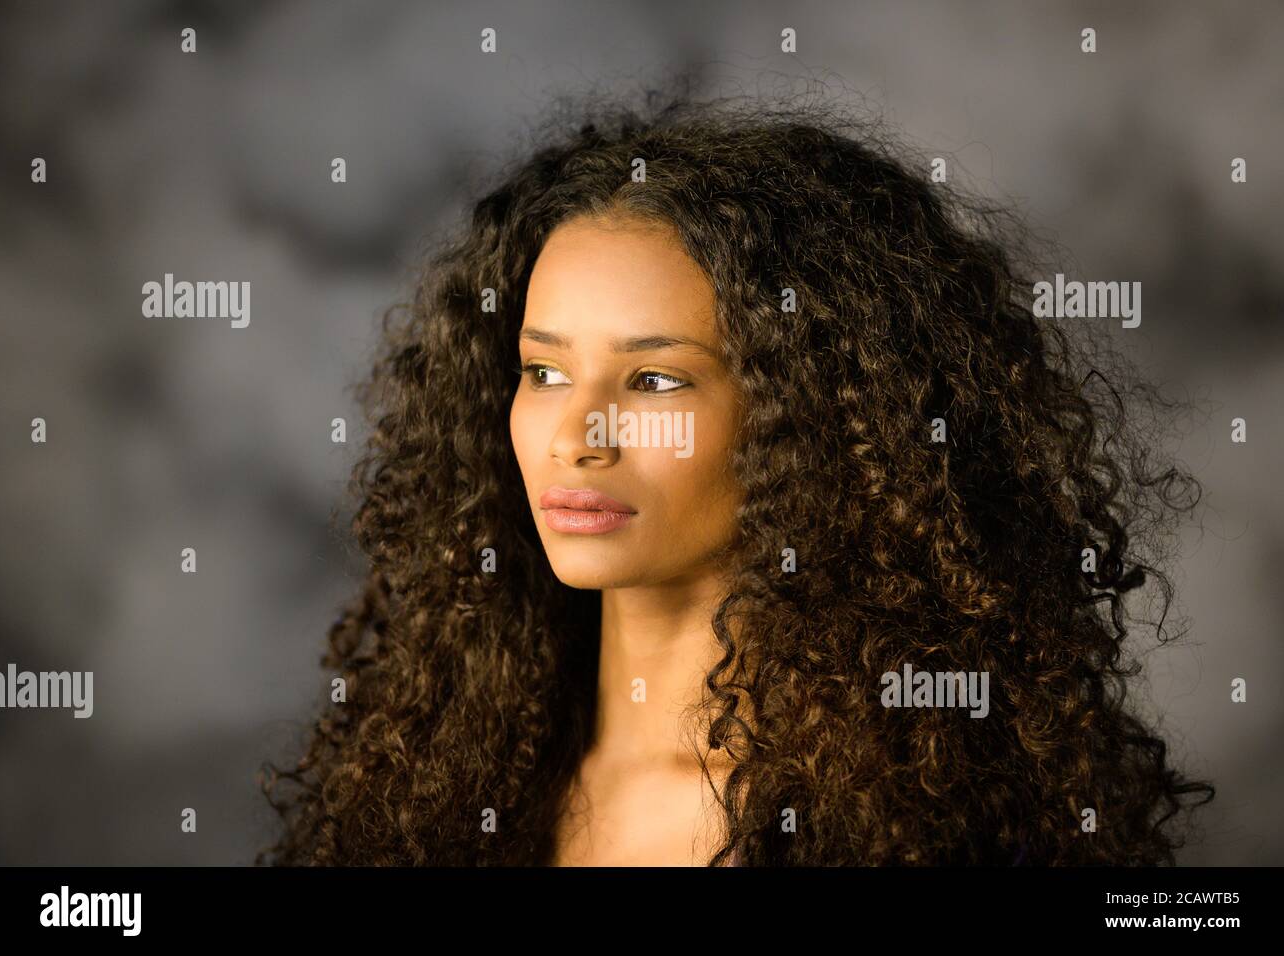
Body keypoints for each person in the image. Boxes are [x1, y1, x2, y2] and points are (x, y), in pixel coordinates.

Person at [257, 91, 1214, 866]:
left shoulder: (917, 824)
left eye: (656, 379)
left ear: (819, 416)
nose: (575, 437)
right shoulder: (429, 774)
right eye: (542, 372)